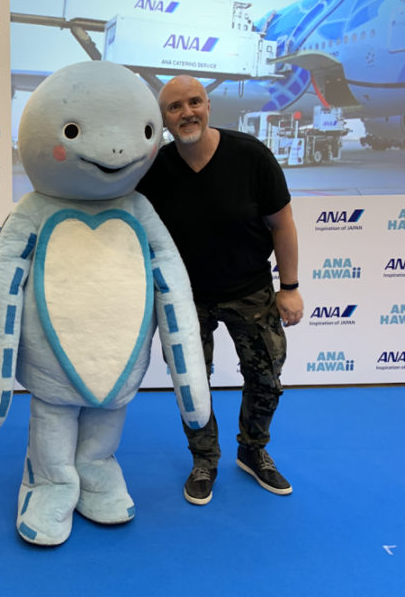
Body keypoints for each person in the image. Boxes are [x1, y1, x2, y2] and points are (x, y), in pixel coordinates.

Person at [136, 75, 304, 505]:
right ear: (164, 118)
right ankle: (204, 459)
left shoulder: (251, 156)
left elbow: (282, 223)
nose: (186, 112)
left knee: (266, 377)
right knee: (192, 384)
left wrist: (290, 287)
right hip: (185, 298)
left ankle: (253, 449)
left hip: (250, 290)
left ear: (208, 105)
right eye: (174, 107)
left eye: (194, 102)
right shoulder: (154, 168)